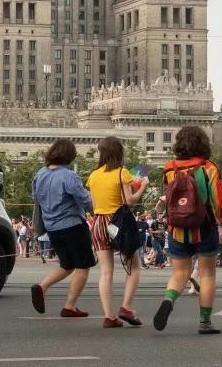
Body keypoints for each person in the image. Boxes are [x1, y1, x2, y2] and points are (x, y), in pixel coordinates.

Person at [152, 126, 222, 335]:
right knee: (207, 274)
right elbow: (218, 199)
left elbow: (168, 197)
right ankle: (205, 322)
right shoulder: (208, 167)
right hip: (204, 226)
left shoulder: (169, 168)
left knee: (180, 273)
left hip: (177, 227)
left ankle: (169, 300)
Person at [29, 138, 95, 319]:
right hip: (72, 225)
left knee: (67, 264)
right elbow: (85, 200)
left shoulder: (40, 174)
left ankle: (42, 287)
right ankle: (70, 306)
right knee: (83, 265)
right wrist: (97, 206)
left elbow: (36, 197)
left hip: (52, 227)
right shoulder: (69, 176)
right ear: (69, 156)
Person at [85, 136, 145, 328]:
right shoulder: (122, 173)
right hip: (118, 222)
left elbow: (94, 205)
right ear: (119, 153)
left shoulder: (93, 176)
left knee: (105, 272)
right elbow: (129, 200)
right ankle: (126, 307)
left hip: (99, 223)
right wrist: (142, 187)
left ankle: (109, 316)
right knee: (134, 265)